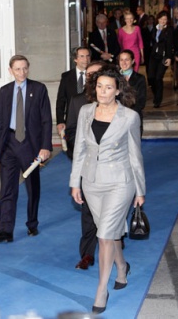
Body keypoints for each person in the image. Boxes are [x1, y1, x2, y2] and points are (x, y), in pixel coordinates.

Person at [69, 67, 146, 314]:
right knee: (110, 233)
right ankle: (121, 267)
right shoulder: (85, 111)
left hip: (119, 182)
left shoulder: (130, 117)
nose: (103, 91)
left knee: (103, 236)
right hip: (92, 182)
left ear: (118, 90)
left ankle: (101, 289)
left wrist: (140, 190)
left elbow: (136, 155)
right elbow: (80, 147)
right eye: (99, 86)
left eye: (109, 87)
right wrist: (75, 182)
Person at [0, 55, 53, 243]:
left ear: (28, 68)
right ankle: (5, 231)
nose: (22, 72)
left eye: (25, 68)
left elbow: (46, 120)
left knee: (33, 187)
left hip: (30, 145)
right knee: (7, 188)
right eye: (17, 69)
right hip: (8, 142)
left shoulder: (39, 89)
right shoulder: (5, 91)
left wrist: (45, 146)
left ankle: (32, 223)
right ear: (10, 71)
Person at [64, 60, 107, 270]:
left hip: (111, 167)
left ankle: (115, 243)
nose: (91, 79)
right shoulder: (77, 101)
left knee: (111, 210)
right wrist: (80, 151)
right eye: (88, 75)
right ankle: (87, 254)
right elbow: (70, 131)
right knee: (88, 213)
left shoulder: (117, 102)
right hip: (87, 166)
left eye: (95, 75)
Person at [56, 47, 91, 138]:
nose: (86, 59)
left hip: (90, 118)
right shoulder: (66, 76)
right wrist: (60, 121)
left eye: (87, 56)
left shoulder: (95, 75)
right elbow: (61, 100)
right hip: (72, 119)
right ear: (75, 59)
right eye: (82, 56)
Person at [146, 11, 174, 108]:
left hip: (163, 57)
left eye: (165, 19)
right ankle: (156, 94)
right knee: (151, 78)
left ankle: (158, 100)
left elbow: (170, 45)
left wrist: (169, 57)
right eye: (161, 19)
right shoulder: (154, 28)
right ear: (158, 19)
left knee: (158, 78)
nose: (163, 21)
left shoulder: (169, 30)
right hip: (153, 56)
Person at [118, 50, 147, 134]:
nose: (124, 63)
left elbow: (141, 101)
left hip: (133, 116)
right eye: (121, 60)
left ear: (133, 61)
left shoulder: (140, 78)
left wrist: (128, 113)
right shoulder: (114, 78)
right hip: (116, 118)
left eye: (127, 59)